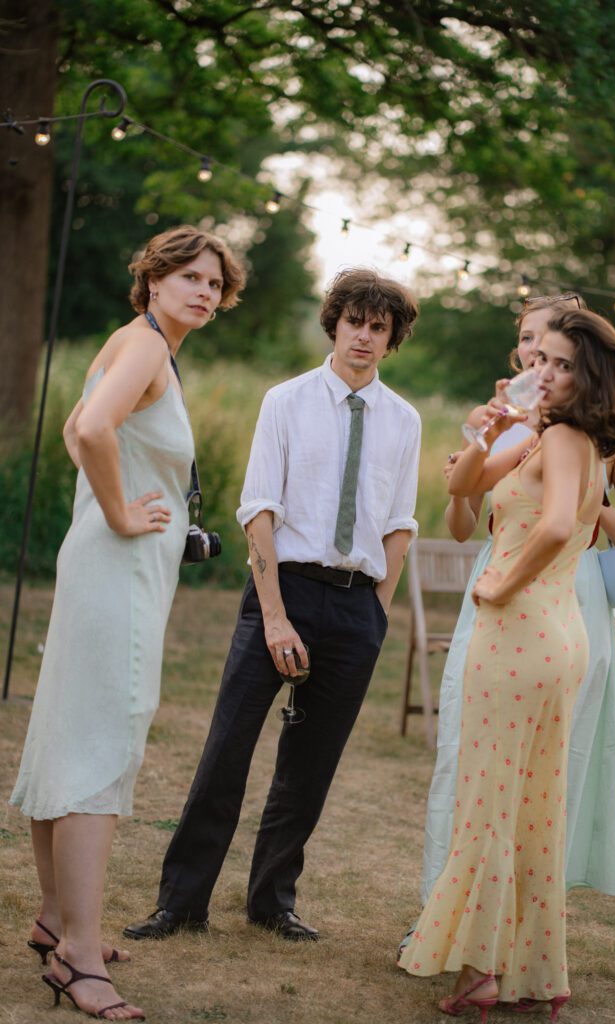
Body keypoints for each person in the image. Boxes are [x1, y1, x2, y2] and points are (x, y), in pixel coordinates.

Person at [123, 267, 421, 944]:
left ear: (391, 337)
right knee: (227, 748)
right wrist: (278, 616)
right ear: (334, 323)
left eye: (379, 328)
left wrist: (375, 610)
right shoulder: (284, 401)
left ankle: (271, 900)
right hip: (280, 594)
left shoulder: (403, 420)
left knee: (309, 767)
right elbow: (259, 512)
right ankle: (181, 902)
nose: (364, 338)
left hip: (355, 608)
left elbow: (398, 524)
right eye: (355, 322)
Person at [10, 225, 245, 1020]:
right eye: (189, 275)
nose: (204, 291)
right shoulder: (144, 346)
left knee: (73, 734)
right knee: (100, 745)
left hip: (112, 568)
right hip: (115, 570)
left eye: (215, 283)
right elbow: (86, 430)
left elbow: (90, 426)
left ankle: (55, 918)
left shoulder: (139, 344)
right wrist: (120, 513)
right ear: (151, 278)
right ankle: (77, 956)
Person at [398, 309, 615, 1021]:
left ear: (588, 375)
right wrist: (486, 428)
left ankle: (479, 972)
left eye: (564, 364)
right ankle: (536, 970)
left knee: (489, 804)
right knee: (532, 807)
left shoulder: (566, 437)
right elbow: (460, 492)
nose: (548, 371)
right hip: (555, 634)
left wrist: (499, 585)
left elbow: (560, 524)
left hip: (520, 632)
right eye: (545, 360)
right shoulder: (546, 433)